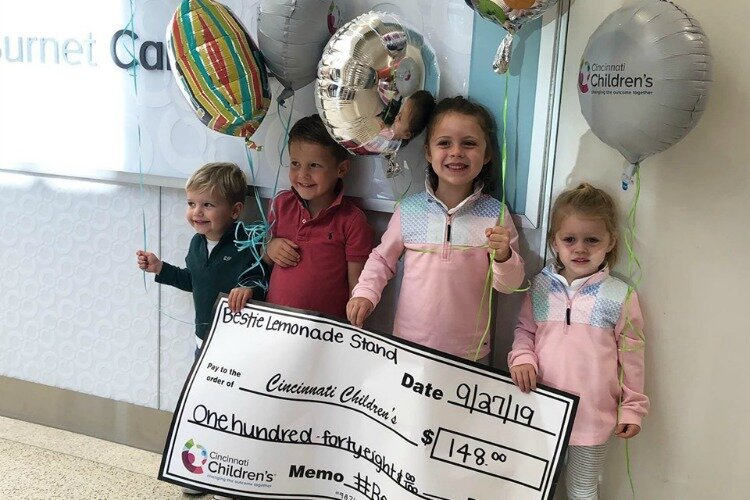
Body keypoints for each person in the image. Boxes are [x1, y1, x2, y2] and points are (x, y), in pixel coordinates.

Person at [347, 96, 525, 362]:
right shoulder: (409, 210)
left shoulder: (495, 214)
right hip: (408, 349)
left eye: (469, 143)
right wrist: (365, 293)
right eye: (444, 143)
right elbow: (382, 259)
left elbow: (509, 286)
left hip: (470, 356)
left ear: (487, 154)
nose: (456, 152)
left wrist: (504, 257)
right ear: (428, 153)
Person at [508, 183, 649, 500]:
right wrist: (522, 359)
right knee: (536, 486)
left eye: (592, 240)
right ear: (554, 242)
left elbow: (632, 358)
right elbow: (524, 332)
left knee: (583, 490)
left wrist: (633, 408)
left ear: (610, 242)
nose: (580, 249)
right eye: (569, 239)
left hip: (593, 419)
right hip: (541, 411)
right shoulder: (540, 287)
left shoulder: (621, 295)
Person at [264, 114, 374, 319]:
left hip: (324, 331)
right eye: (295, 163)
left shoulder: (352, 221)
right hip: (275, 326)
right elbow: (260, 262)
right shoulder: (279, 205)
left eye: (314, 165)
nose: (302, 174)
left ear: (341, 169)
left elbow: (357, 289)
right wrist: (270, 247)